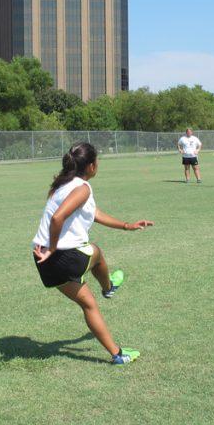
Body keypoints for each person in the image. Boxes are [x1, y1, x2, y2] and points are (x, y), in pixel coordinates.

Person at [32, 143, 153, 364]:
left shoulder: (60, 185)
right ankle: (108, 288)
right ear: (90, 166)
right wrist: (52, 248)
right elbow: (57, 218)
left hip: (42, 260)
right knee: (95, 252)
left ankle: (117, 355)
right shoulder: (83, 188)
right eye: (97, 161)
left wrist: (127, 226)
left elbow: (93, 213)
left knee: (89, 305)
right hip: (60, 255)